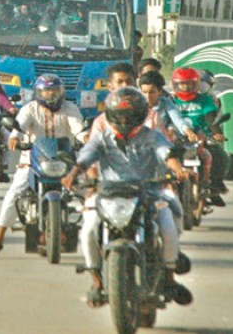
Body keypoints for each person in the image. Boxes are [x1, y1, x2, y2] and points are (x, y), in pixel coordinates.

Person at [61, 87, 193, 308]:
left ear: (140, 115)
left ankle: (170, 277)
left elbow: (167, 154)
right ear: (111, 115)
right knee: (89, 229)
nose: (124, 120)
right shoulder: (102, 138)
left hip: (149, 193)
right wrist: (73, 174)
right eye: (120, 115)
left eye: (129, 115)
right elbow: (85, 158)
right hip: (107, 194)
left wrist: (178, 169)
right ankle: (96, 282)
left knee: (168, 222)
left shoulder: (152, 136)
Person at [0, 74, 84, 255]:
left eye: (54, 92)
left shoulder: (70, 108)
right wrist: (15, 137)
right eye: (47, 92)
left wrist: (85, 138)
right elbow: (19, 127)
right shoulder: (29, 109)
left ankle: (98, 242)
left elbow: (78, 129)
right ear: (39, 93)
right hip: (33, 160)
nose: (51, 96)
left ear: (61, 92)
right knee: (14, 193)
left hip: (64, 161)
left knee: (87, 195)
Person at [172, 67, 229, 206]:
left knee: (221, 156)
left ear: (196, 84)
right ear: (175, 84)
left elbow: (210, 119)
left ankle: (214, 188)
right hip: (176, 139)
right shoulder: (170, 101)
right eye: (182, 84)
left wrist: (216, 133)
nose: (185, 88)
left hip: (201, 137)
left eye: (189, 84)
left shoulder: (205, 100)